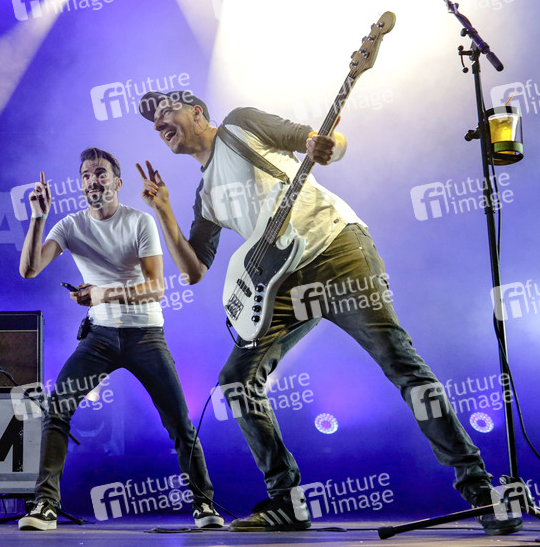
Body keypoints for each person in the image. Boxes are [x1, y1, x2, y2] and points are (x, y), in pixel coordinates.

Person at [135, 90, 522, 535]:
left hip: (336, 250)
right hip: (284, 283)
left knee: (398, 360)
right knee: (237, 381)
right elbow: (193, 271)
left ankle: (480, 489)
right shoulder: (205, 196)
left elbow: (325, 140)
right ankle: (287, 501)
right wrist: (163, 211)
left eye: (166, 110)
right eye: (153, 121)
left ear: (197, 112)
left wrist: (330, 149)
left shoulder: (240, 124)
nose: (158, 122)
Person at [16, 148, 223, 531]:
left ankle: (204, 504)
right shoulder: (70, 225)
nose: (92, 181)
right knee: (56, 409)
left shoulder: (139, 221)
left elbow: (156, 288)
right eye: (86, 175)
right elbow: (29, 270)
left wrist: (102, 293)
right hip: (99, 336)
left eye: (100, 173)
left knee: (178, 422)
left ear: (117, 182)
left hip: (146, 334)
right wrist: (38, 217)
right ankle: (45, 505)